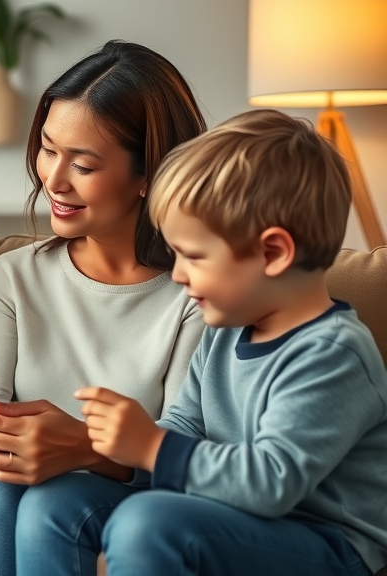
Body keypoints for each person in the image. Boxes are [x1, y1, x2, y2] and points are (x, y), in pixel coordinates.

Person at [0, 40, 208, 576]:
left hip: (105, 503)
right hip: (5, 484)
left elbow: (188, 458)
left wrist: (82, 447)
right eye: (47, 148)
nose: (52, 180)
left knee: (5, 500)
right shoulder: (16, 275)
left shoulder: (194, 294)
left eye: (82, 164)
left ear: (148, 175)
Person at [74, 109, 387, 576]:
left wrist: (151, 447)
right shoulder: (223, 333)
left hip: (328, 545)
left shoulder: (333, 353)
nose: (177, 274)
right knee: (58, 500)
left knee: (148, 524)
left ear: (274, 253)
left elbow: (271, 482)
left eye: (193, 256)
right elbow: (186, 424)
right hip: (232, 517)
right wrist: (121, 448)